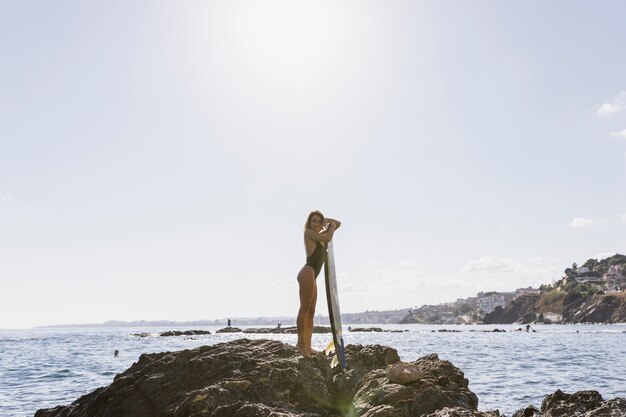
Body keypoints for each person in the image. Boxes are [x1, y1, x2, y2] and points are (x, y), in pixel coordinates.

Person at [296, 210, 341, 357]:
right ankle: (300, 345)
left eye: (318, 221)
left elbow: (338, 224)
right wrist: (329, 227)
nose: (315, 224)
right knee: (304, 309)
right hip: (307, 273)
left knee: (311, 312)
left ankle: (308, 346)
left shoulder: (319, 237)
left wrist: (326, 221)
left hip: (312, 276)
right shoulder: (309, 233)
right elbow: (329, 237)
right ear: (309, 223)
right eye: (313, 221)